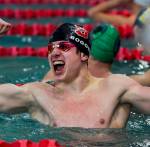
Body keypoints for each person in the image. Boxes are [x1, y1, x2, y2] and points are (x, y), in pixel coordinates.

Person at [0, 23, 150, 128]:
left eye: (64, 47)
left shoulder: (116, 88)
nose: (54, 53)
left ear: (84, 55)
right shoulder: (37, 94)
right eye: (51, 48)